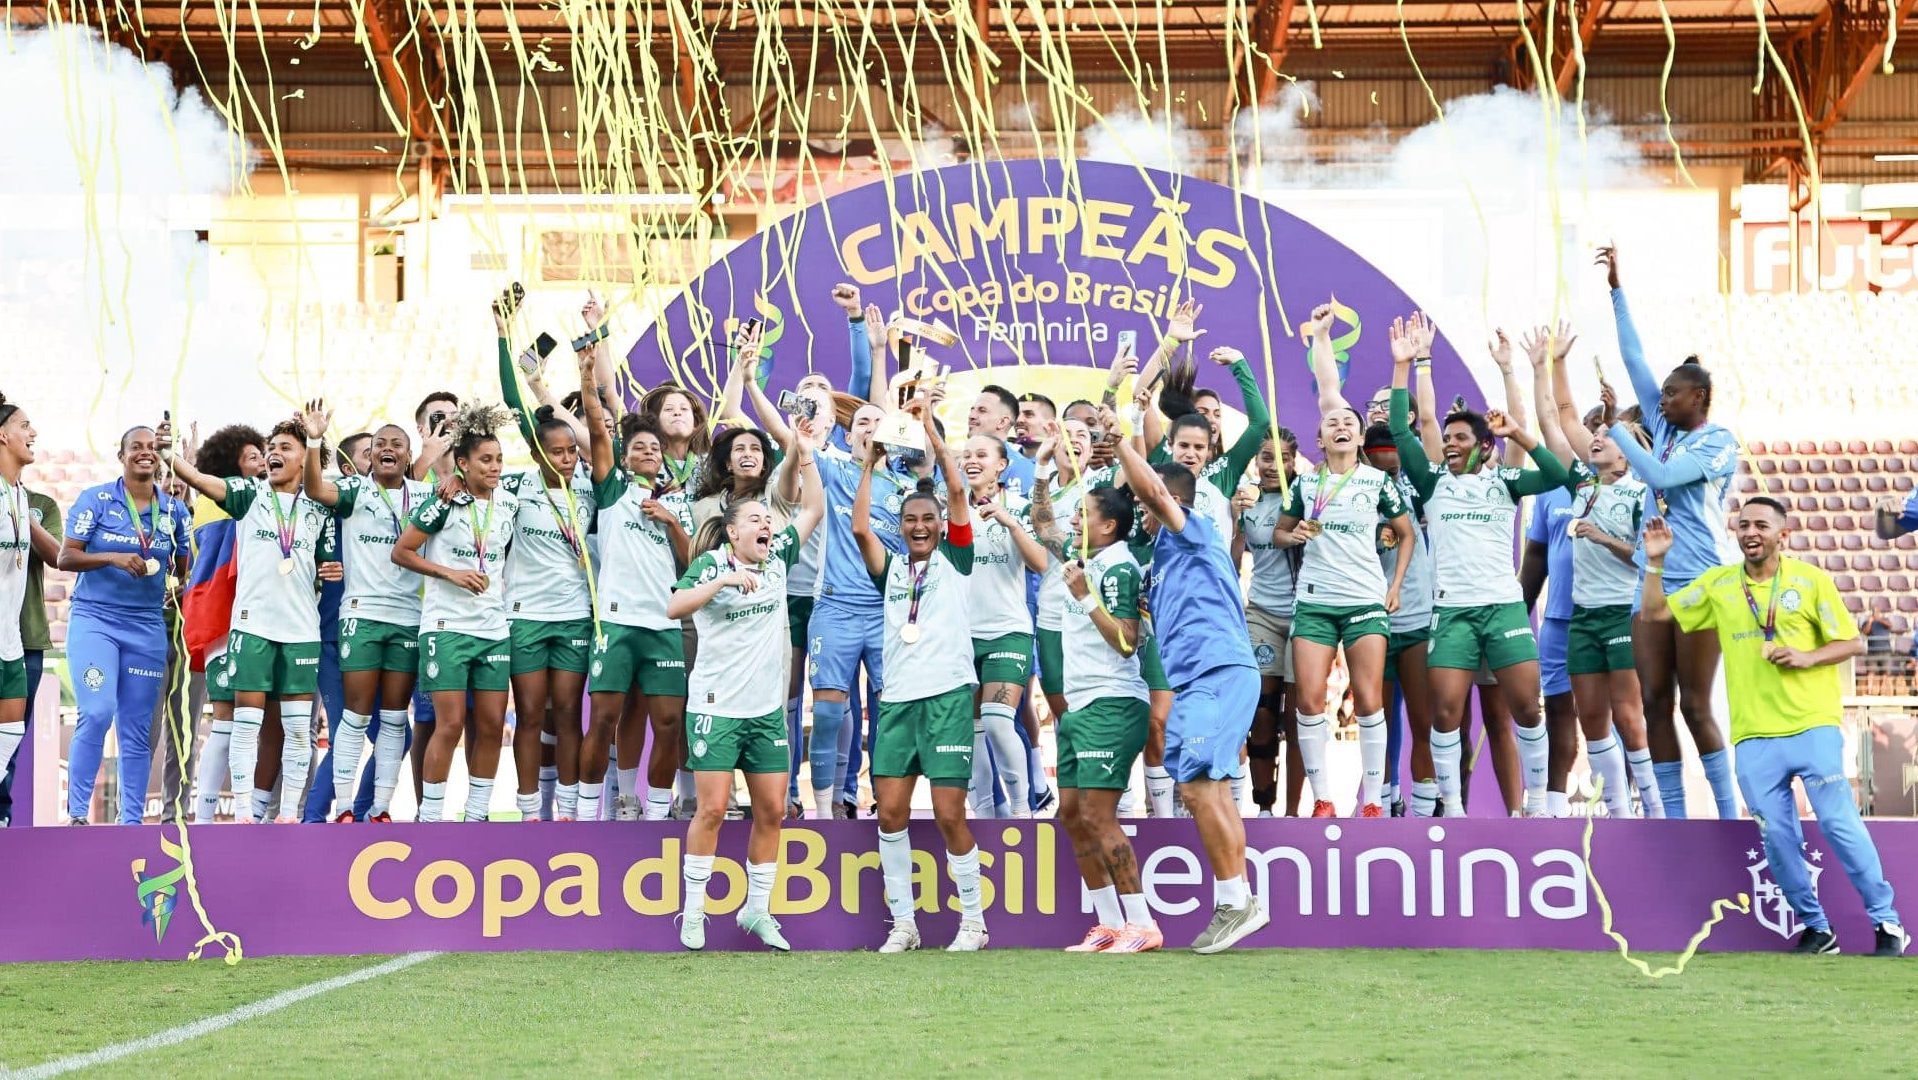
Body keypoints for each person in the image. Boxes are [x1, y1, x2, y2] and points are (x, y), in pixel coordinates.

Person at [1642, 503, 1909, 957]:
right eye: (1744, 524)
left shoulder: (1809, 580)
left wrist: (1807, 657)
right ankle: (1817, 929)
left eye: (1761, 525)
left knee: (1838, 823)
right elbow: (1655, 613)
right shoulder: (1719, 584)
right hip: (1754, 736)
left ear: (1782, 535)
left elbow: (1852, 642)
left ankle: (1887, 922)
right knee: (1778, 837)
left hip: (1812, 725)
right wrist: (1656, 563)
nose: (1751, 532)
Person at [1388, 318, 1571, 817]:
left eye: (1460, 437)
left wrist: (1521, 434)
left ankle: (1537, 807)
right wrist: (1408, 365)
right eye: (1447, 437)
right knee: (1445, 714)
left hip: (1505, 609)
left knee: (1527, 708)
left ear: (1484, 446)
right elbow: (1405, 428)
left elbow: (1558, 473)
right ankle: (1453, 809)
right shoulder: (1432, 483)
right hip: (1453, 614)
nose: (1449, 443)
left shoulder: (1505, 481)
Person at [1116, 397, 1267, 953]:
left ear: (1169, 500)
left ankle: (1235, 903)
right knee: (1207, 788)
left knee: (1202, 788)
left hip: (1220, 671)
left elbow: (1157, 494)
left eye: (1146, 503)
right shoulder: (1160, 557)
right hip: (1195, 683)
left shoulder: (1195, 528)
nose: (1142, 513)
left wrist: (1121, 440)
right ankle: (1239, 900)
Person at [668, 419, 825, 951]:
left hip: (764, 712)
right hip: (716, 708)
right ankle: (693, 912)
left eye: (768, 520)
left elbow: (813, 509)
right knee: (712, 809)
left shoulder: (778, 558)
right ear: (733, 532)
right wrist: (721, 580)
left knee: (772, 811)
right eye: (755, 520)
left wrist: (804, 453)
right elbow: (674, 607)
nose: (766, 526)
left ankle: (756, 910)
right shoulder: (711, 564)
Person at [1598, 244, 1739, 819]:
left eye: (1672, 393)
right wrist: (1616, 289)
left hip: (1703, 579)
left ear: (1698, 398)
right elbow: (1633, 357)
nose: (1661, 399)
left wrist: (1617, 431)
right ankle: (1672, 820)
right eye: (1662, 395)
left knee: (1695, 706)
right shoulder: (1664, 424)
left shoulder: (1717, 441)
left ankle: (1728, 813)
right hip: (1652, 580)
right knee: (1654, 700)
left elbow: (1658, 475)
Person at [854, 402, 990, 953]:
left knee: (949, 813)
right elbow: (859, 526)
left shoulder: (956, 559)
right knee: (890, 814)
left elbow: (955, 491)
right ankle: (904, 926)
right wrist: (871, 463)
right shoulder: (889, 568)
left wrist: (931, 429)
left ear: (940, 525)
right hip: (897, 702)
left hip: (948, 697)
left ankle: (974, 923)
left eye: (927, 519)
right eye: (910, 520)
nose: (919, 526)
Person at [165, 417, 333, 823]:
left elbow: (328, 560)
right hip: (251, 626)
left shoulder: (320, 508)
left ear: (305, 459)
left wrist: (331, 567)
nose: (274, 453)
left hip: (301, 629)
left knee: (298, 729)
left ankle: (288, 815)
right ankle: (243, 814)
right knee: (245, 722)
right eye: (270, 447)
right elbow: (201, 481)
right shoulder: (250, 494)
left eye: (285, 448)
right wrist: (169, 454)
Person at [1288, 304, 1417, 818]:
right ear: (1320, 437)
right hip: (1315, 602)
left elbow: (1406, 534)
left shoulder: (1376, 481)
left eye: (1349, 422)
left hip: (1365, 601)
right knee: (1308, 701)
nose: (1340, 424)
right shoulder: (1306, 482)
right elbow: (1327, 390)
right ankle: (1322, 798)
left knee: (1369, 699)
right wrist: (1320, 335)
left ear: (1361, 437)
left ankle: (1372, 802)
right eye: (1332, 423)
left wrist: (1395, 585)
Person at [391, 404, 519, 823]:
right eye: (485, 460)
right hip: (446, 628)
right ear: (463, 463)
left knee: (492, 725)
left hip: (494, 629)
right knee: (449, 724)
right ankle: (431, 817)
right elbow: (402, 552)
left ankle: (477, 815)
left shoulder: (510, 504)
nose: (495, 467)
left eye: (499, 459)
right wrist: (450, 574)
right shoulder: (442, 501)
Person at [60, 425, 194, 824]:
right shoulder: (97, 500)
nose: (145, 452)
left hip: (146, 626)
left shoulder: (174, 511)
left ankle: (131, 822)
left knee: (136, 729)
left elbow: (184, 567)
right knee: (97, 711)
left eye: (152, 447)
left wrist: (179, 585)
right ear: (122, 455)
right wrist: (112, 558)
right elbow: (66, 557)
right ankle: (78, 815)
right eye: (136, 446)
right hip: (96, 621)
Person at [579, 356, 693, 823]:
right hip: (616, 622)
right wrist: (587, 377)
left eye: (654, 447)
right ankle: (589, 813)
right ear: (624, 458)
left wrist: (670, 521)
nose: (648, 451)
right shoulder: (613, 490)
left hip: (663, 624)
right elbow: (597, 428)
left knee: (668, 723)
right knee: (604, 719)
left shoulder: (675, 503)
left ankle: (658, 814)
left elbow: (691, 561)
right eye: (639, 447)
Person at [301, 409, 427, 822]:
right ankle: (344, 808)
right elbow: (315, 489)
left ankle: (380, 808)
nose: (388, 449)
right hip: (362, 614)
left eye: (397, 444)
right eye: (380, 445)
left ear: (408, 456)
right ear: (370, 457)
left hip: (408, 617)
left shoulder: (424, 496)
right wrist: (315, 441)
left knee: (394, 718)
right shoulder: (355, 489)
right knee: (354, 717)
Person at [1057, 485, 1162, 952]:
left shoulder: (1119, 567)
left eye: (1083, 514)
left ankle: (1143, 925)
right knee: (1072, 814)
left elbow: (1126, 642)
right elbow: (1044, 524)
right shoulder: (1083, 558)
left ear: (1108, 526)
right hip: (1079, 704)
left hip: (1112, 702)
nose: (1073, 521)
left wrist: (1084, 597)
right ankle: (1108, 925)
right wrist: (1044, 465)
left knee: (1098, 815)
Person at [499, 410, 597, 822]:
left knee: (569, 712)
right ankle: (529, 813)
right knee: (531, 714)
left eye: (571, 450)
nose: (567, 459)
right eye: (556, 452)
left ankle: (569, 810)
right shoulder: (516, 485)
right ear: (537, 455)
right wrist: (452, 481)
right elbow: (473, 483)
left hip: (574, 614)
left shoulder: (590, 487)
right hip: (526, 615)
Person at [1513, 327, 1583, 818]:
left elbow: (1562, 415)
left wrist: (1552, 367)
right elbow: (1536, 556)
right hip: (1557, 618)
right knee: (1558, 708)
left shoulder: (1612, 485)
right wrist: (1518, 610)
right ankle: (1554, 804)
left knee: (1614, 711)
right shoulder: (1553, 487)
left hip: (1610, 615)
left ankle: (1624, 802)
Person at [960, 433, 1047, 818]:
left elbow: (1040, 563)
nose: (971, 460)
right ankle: (986, 814)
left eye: (981, 454)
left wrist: (1010, 522)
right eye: (966, 455)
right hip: (961, 636)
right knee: (973, 730)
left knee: (998, 722)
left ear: (1001, 465)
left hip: (1008, 631)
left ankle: (1023, 811)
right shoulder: (950, 511)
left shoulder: (1021, 507)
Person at [183, 425, 268, 822]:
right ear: (231, 468)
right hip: (223, 620)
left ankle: (253, 813)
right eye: (253, 457)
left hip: (261, 620)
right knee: (227, 721)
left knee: (251, 723)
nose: (264, 462)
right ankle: (206, 819)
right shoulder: (225, 502)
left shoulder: (262, 500)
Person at [1232, 431, 1300, 818]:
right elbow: (1233, 561)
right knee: (1261, 713)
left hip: (1306, 615)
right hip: (1260, 613)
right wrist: (1236, 520)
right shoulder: (1246, 501)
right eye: (1266, 457)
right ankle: (1264, 808)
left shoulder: (1308, 495)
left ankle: (1294, 812)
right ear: (1256, 461)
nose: (1274, 466)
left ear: (1295, 461)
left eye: (1284, 458)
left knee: (1298, 717)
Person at [0, 395, 59, 801]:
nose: (33, 432)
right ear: (3, 436)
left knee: (11, 733)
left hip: (12, 640)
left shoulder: (21, 498)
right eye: (24, 425)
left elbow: (56, 555)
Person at [966, 384, 1037, 497]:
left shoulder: (1022, 468)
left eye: (982, 410)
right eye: (972, 410)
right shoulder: (959, 464)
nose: (972, 416)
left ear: (1002, 422)